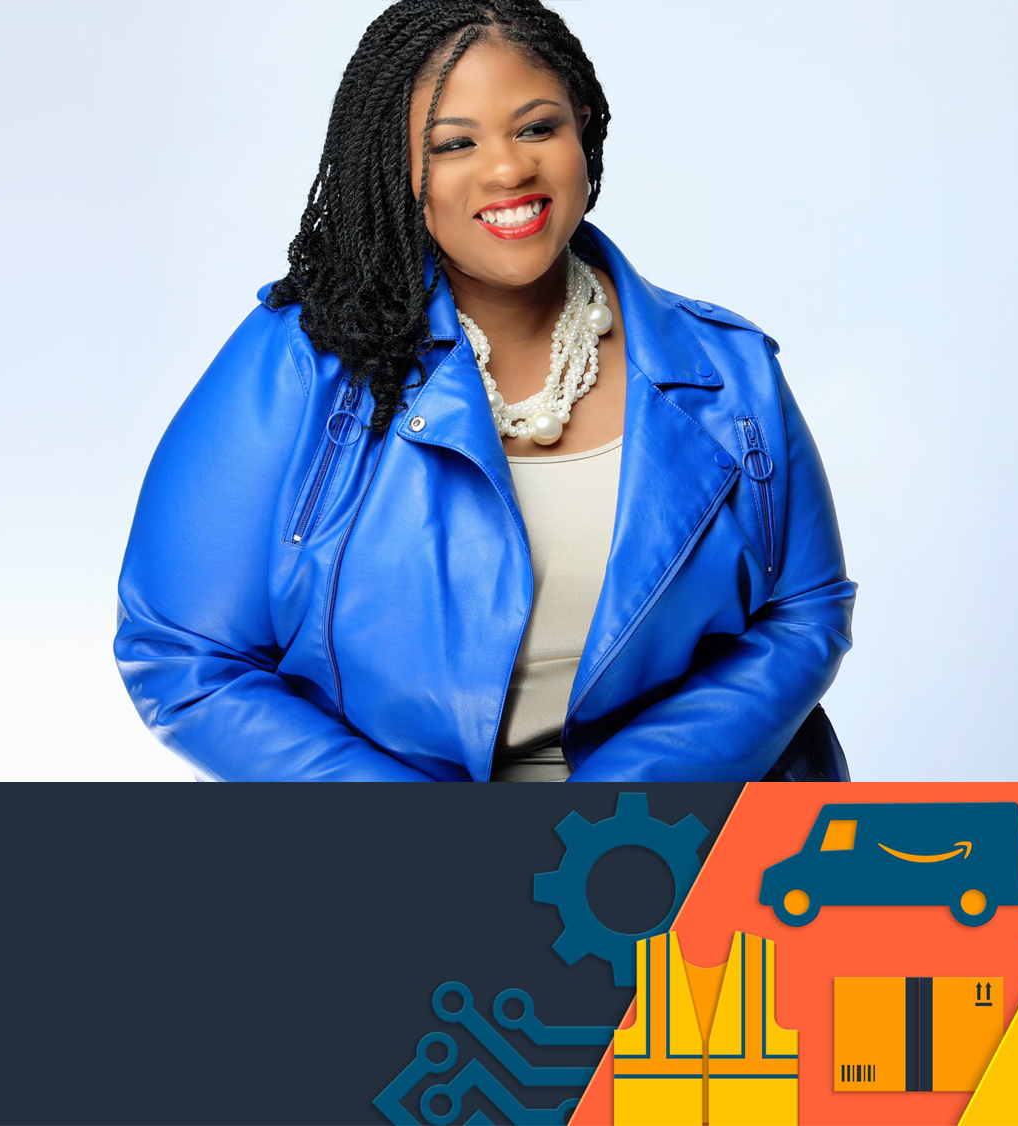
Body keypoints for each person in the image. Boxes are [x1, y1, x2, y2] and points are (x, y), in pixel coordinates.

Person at [114, 0, 855, 781]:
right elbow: (184, 654)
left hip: (684, 848)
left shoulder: (728, 367)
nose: (507, 169)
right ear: (395, 171)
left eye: (538, 128)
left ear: (585, 131)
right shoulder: (303, 360)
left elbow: (803, 613)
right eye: (454, 143)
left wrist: (618, 812)